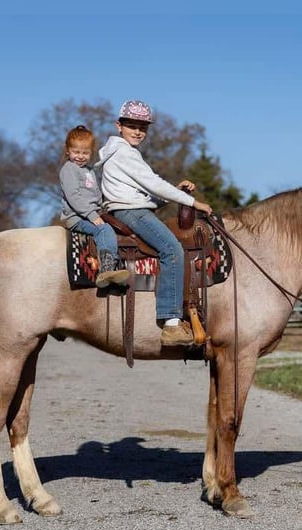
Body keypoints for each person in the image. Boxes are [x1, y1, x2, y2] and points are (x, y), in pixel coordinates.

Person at [95, 100, 213, 346]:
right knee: (172, 249)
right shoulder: (124, 152)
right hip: (133, 213)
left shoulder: (120, 152)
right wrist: (192, 202)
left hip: (131, 209)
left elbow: (146, 194)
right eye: (131, 126)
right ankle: (171, 323)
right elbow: (153, 183)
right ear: (119, 126)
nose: (137, 131)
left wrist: (172, 192)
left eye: (143, 127)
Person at [60, 125, 130, 288]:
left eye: (85, 153)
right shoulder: (69, 170)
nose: (80, 157)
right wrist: (93, 216)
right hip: (77, 217)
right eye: (76, 152)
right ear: (68, 151)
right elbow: (74, 197)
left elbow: (96, 195)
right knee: (103, 230)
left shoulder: (88, 170)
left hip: (91, 212)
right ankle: (106, 268)